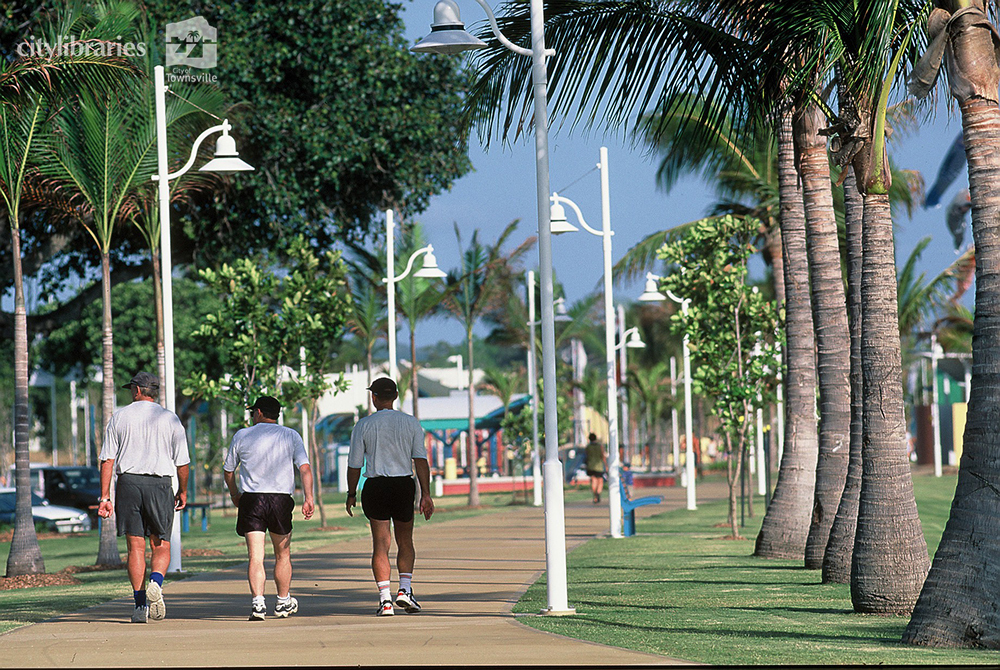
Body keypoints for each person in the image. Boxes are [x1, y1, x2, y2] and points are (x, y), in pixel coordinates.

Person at [98, 372, 190, 624]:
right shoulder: (170, 419)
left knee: (135, 548)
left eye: (132, 389)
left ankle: (140, 606)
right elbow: (182, 463)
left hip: (128, 484)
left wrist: (105, 496)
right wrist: (182, 490)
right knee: (161, 545)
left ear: (137, 390)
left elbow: (107, 459)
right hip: (159, 485)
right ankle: (156, 583)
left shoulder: (120, 417)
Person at [346, 378, 434, 617]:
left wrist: (351, 493)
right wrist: (426, 494)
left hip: (375, 486)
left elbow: (355, 465)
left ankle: (385, 601)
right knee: (405, 541)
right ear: (395, 395)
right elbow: (420, 461)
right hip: (403, 485)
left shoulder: (363, 425)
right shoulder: (410, 422)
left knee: (380, 545)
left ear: (373, 397)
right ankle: (404, 590)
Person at [223, 396, 314, 621]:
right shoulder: (291, 435)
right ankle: (283, 602)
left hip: (252, 500)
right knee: (282, 554)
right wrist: (309, 497)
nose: (252, 416)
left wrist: (235, 494)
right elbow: (304, 468)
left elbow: (228, 471)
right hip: (280, 499)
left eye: (254, 412)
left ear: (260, 412)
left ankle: (258, 603)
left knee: (256, 556)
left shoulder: (242, 435)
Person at [584, 433, 607, 504]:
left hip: (590, 465)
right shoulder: (600, 446)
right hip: (599, 466)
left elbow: (586, 456)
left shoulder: (588, 447)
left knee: (593, 480)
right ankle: (598, 493)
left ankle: (595, 496)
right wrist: (606, 465)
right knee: (600, 480)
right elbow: (603, 456)